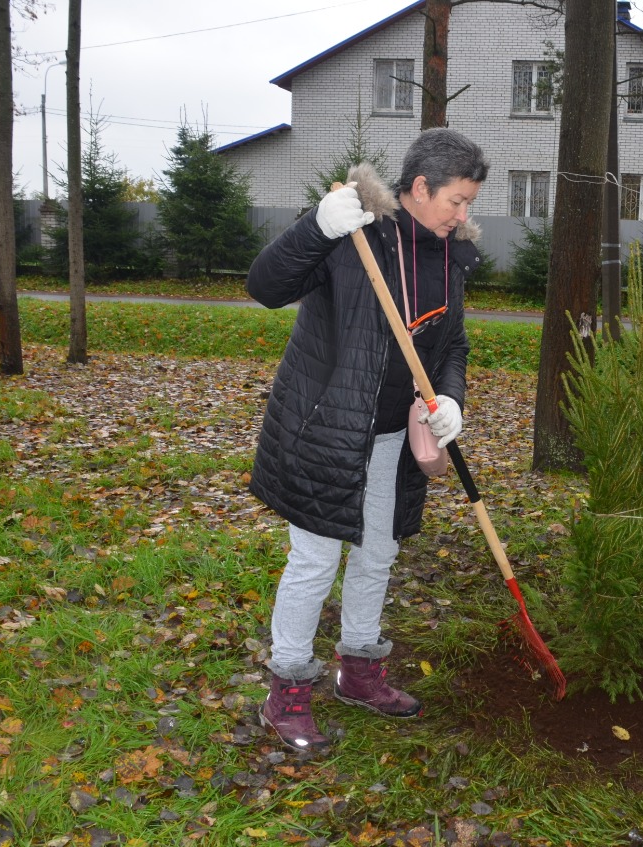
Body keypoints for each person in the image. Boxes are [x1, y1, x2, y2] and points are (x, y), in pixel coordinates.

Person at [245, 128, 489, 751]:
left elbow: (451, 344)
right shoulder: (354, 233)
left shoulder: (447, 255)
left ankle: (358, 671)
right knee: (316, 559)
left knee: (377, 552)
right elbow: (265, 287)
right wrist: (314, 228)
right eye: (456, 201)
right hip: (327, 430)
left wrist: (451, 396)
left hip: (389, 438)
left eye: (470, 203)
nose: (464, 215)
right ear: (419, 187)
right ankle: (287, 691)